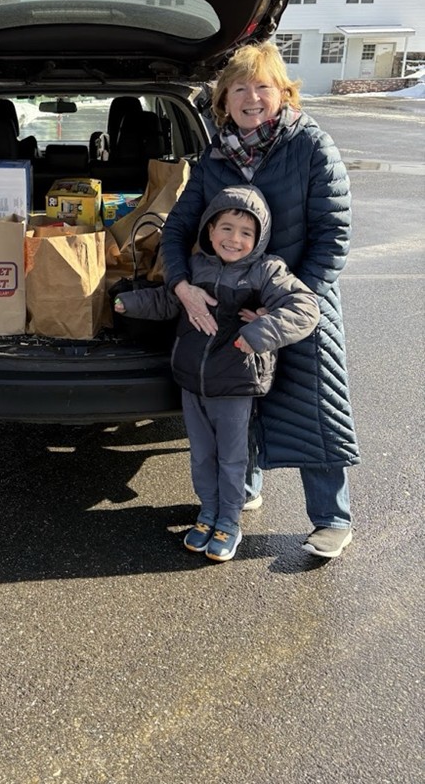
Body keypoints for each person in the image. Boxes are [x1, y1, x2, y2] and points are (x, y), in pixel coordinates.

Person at [161, 41, 360, 559]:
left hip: (299, 299)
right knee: (240, 399)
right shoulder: (215, 156)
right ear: (223, 99)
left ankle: (331, 518)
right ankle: (245, 488)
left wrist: (288, 302)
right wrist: (182, 285)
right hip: (231, 304)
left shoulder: (310, 144)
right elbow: (180, 226)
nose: (252, 98)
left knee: (313, 405)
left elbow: (333, 233)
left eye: (263, 86)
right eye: (240, 88)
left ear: (283, 93)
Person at [115, 185, 319, 561]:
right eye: (226, 228)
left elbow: (305, 309)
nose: (234, 239)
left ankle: (229, 521)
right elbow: (166, 301)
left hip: (235, 383)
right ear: (210, 230)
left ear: (259, 239)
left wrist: (257, 334)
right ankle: (207, 513)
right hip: (192, 381)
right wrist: (127, 302)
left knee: (231, 459)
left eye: (246, 233)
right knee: (201, 455)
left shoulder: (266, 271)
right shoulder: (195, 267)